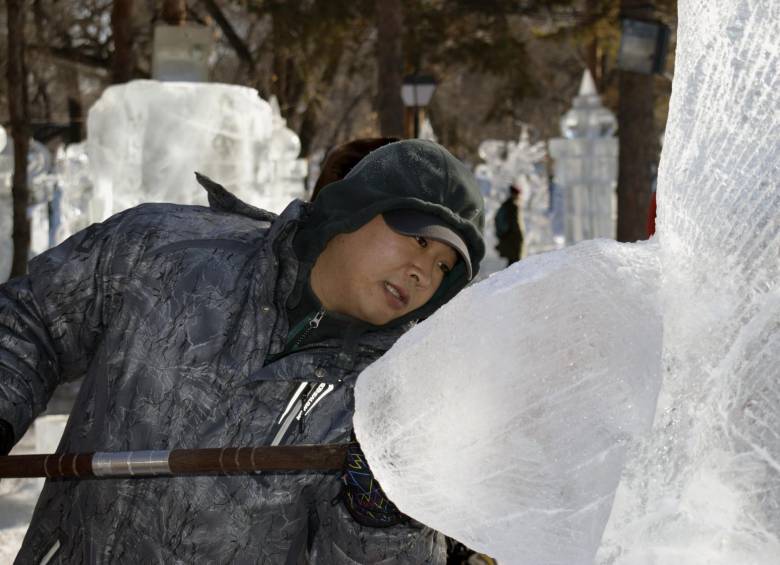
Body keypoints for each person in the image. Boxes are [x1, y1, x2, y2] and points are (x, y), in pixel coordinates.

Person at [0, 139, 485, 563]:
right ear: (354, 209)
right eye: (419, 238)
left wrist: (382, 521)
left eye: (444, 266)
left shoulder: (392, 399)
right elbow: (32, 320)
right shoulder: (165, 252)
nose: (424, 272)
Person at [494, 185, 524, 265]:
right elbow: (516, 224)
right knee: (515, 264)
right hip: (513, 241)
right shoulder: (513, 206)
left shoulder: (506, 204)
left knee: (511, 264)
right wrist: (521, 238)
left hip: (507, 239)